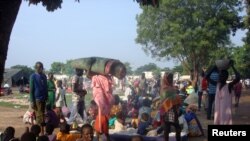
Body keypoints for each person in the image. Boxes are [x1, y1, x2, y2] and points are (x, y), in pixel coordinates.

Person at [90, 74, 114, 141]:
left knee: (98, 132)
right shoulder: (106, 79)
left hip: (101, 117)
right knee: (105, 133)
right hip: (104, 117)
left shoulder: (99, 98)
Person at [160, 72, 181, 141]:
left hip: (174, 110)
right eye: (169, 78)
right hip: (167, 110)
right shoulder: (164, 88)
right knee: (167, 129)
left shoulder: (172, 88)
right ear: (165, 79)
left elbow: (174, 98)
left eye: (171, 78)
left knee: (177, 129)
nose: (170, 79)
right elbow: (164, 100)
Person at [30, 62, 48, 135]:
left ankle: (42, 132)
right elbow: (31, 89)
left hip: (43, 98)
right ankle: (38, 133)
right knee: (39, 116)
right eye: (37, 67)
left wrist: (47, 96)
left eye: (40, 67)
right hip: (37, 99)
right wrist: (32, 101)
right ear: (35, 68)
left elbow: (46, 87)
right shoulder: (33, 76)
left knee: (43, 115)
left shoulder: (44, 76)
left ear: (42, 68)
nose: (39, 68)